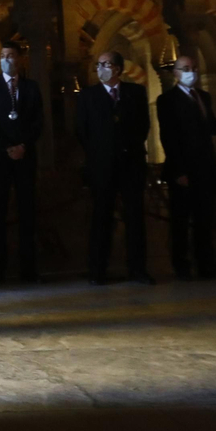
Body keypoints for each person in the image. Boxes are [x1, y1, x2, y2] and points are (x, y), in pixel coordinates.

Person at [73, 50, 151, 284]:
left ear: (117, 68)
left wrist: (127, 148)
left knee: (135, 218)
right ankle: (98, 270)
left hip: (131, 164)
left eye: (105, 64)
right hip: (102, 166)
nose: (100, 69)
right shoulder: (88, 96)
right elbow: (82, 131)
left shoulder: (135, 93)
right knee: (101, 219)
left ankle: (138, 269)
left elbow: (142, 126)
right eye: (98, 64)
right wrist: (100, 154)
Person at [0, 39, 45, 283]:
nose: (7, 59)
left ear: (19, 59)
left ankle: (28, 269)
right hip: (0, 157)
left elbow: (38, 122)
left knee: (28, 212)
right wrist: (7, 146)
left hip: (25, 157)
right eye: (3, 55)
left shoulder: (31, 87)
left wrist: (23, 146)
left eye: (11, 55)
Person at [157, 55, 216, 280]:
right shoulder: (167, 100)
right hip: (183, 170)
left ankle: (206, 264)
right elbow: (169, 138)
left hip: (206, 168)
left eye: (193, 67)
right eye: (185, 68)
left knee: (205, 219)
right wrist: (179, 171)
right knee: (181, 220)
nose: (190, 71)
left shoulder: (203, 96)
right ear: (175, 72)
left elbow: (212, 127)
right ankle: (181, 265)